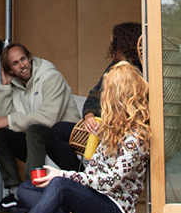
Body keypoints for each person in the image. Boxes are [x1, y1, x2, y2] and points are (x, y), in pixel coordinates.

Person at [0, 61, 149, 213]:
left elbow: (110, 181)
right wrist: (77, 200)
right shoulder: (110, 129)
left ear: (118, 96)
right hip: (95, 199)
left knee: (59, 184)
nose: (103, 97)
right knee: (27, 189)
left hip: (114, 211)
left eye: (107, 91)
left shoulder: (136, 137)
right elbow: (94, 170)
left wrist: (64, 176)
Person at [0, 43, 84, 213]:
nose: (22, 65)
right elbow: (3, 120)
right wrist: (5, 87)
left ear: (29, 58)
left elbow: (48, 119)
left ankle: (30, 192)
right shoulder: (14, 84)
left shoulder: (51, 77)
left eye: (23, 59)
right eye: (15, 63)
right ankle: (15, 193)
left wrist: (9, 120)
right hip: (36, 143)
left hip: (63, 144)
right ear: (10, 70)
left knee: (35, 129)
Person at [52, 22, 143, 158]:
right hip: (100, 127)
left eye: (114, 45)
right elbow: (95, 94)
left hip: (121, 131)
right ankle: (81, 175)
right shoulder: (113, 66)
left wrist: (108, 124)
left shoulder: (138, 73)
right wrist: (89, 116)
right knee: (56, 133)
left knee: (57, 133)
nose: (110, 49)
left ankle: (82, 177)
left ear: (123, 46)